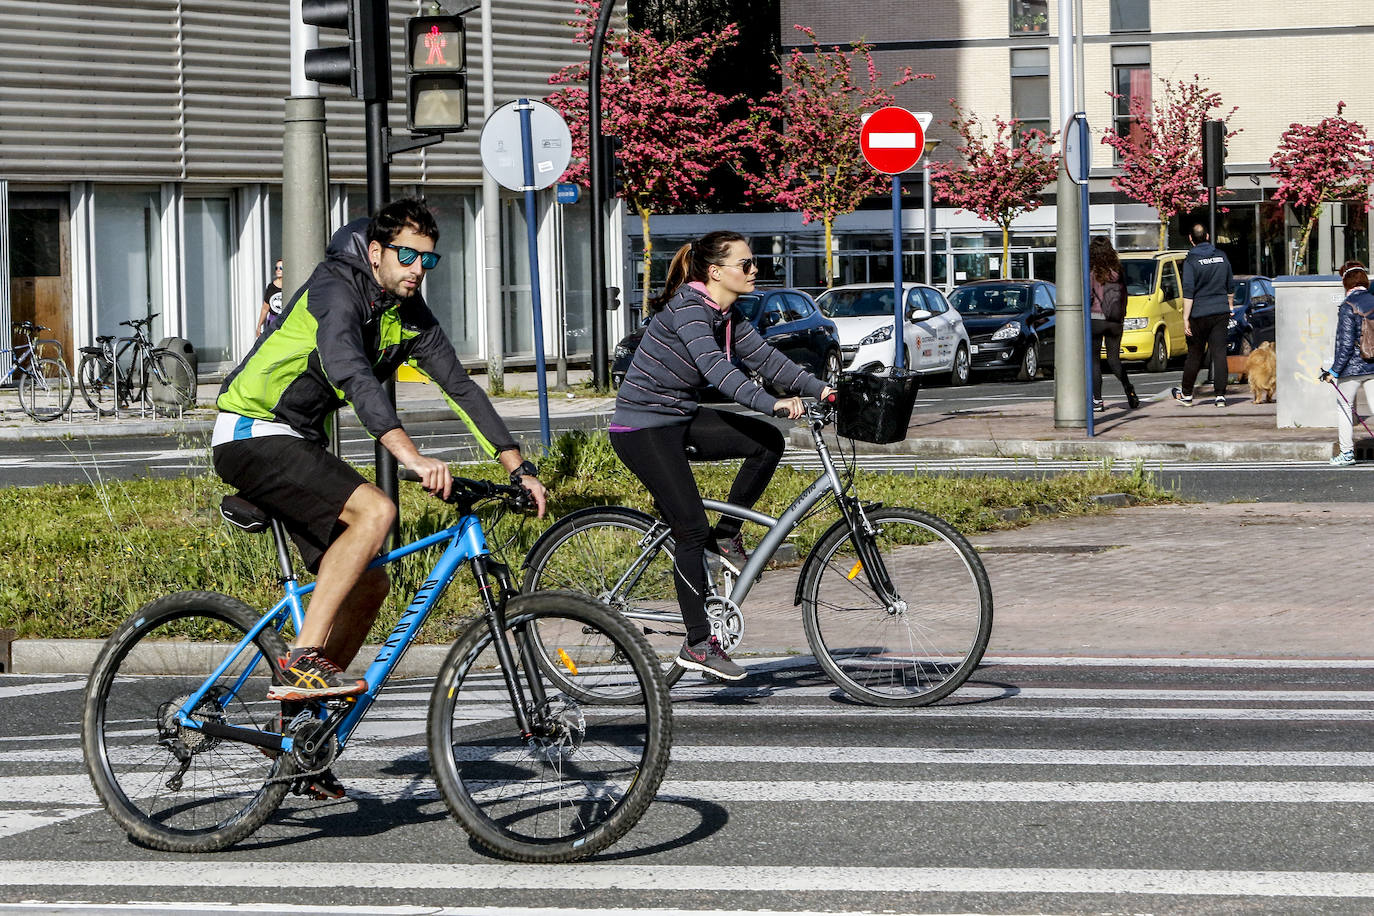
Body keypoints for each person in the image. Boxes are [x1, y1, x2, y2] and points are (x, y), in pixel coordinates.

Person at [213, 198, 546, 796]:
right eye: (406, 255)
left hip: (297, 442)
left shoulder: (407, 313)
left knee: (371, 583)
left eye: (428, 257)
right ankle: (303, 659)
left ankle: (300, 745)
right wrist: (410, 455)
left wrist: (515, 463)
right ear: (375, 253)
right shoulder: (336, 289)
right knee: (378, 509)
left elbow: (460, 387)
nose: (418, 267)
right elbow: (351, 371)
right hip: (252, 430)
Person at [609, 230, 833, 682]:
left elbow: (769, 361)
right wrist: (770, 402)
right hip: (641, 428)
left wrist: (822, 390)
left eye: (754, 264)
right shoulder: (691, 309)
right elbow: (716, 369)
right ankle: (697, 643)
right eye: (746, 264)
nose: (754, 271)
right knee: (690, 530)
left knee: (766, 442)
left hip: (679, 417)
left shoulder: (728, 315)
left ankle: (727, 537)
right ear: (716, 272)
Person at [1172, 224, 1234, 408]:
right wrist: (1230, 305)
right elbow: (1230, 284)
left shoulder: (1191, 260)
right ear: (1207, 236)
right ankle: (1220, 396)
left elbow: (1189, 291)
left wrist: (1185, 319)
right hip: (1220, 311)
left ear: (1191, 239)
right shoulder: (1221, 256)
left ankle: (1187, 394)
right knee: (1219, 354)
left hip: (1198, 313)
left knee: (1195, 354)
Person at [1321, 261, 1374, 467]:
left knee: (1344, 407)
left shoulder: (1347, 306)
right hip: (1373, 365)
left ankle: (1346, 453)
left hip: (1352, 367)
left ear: (1346, 283)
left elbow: (1344, 344)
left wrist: (1333, 371)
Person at [1088, 236, 1139, 411]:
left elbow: (1088, 296)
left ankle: (1098, 401)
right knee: (1114, 360)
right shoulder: (1118, 270)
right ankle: (1128, 389)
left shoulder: (1091, 271)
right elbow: (1125, 294)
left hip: (1095, 320)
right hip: (1115, 321)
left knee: (1094, 361)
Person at [255, 258, 284, 336]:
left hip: (286, 322)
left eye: (281, 268)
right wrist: (259, 325)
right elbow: (265, 308)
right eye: (276, 268)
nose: (278, 270)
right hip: (273, 322)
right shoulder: (271, 287)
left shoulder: (290, 286)